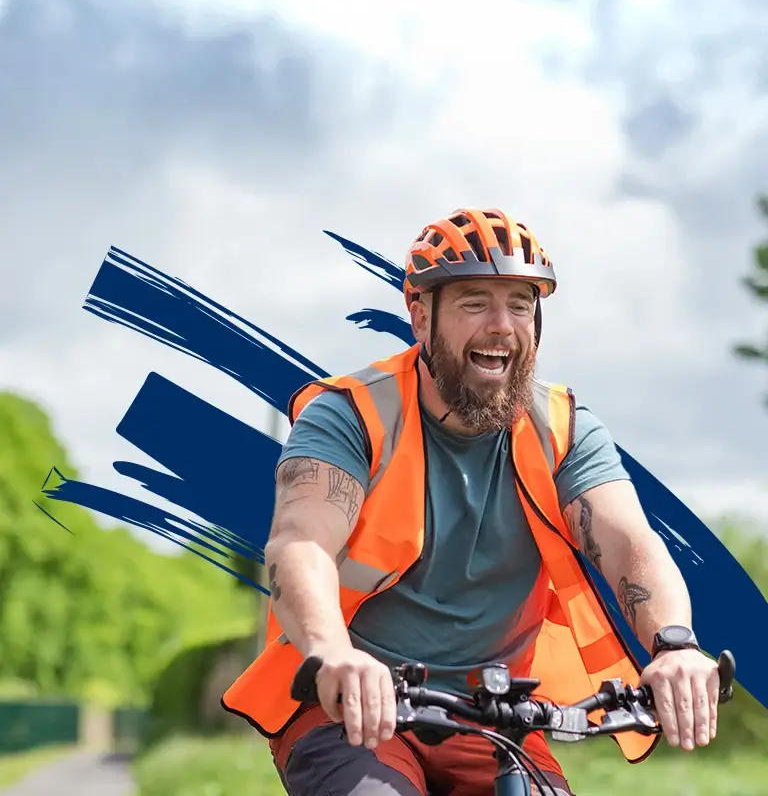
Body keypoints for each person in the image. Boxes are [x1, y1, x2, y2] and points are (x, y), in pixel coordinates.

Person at [221, 208, 722, 796]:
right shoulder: (351, 414)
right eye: (475, 302)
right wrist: (333, 655)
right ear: (419, 317)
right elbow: (300, 542)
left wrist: (674, 644)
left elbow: (629, 542)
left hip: (497, 717)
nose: (501, 325)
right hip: (355, 708)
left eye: (519, 305)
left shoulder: (562, 428)